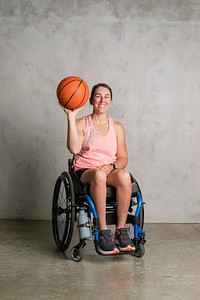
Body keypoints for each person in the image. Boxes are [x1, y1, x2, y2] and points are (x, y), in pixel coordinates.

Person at [62, 83, 135, 255]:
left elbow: (123, 158)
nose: (102, 100)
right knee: (98, 176)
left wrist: (113, 166)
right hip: (86, 171)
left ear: (111, 102)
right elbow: (73, 149)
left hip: (108, 170)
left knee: (124, 175)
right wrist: (71, 118)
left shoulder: (118, 127)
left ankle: (121, 230)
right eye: (98, 96)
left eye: (106, 96)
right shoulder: (82, 123)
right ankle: (103, 231)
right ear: (90, 100)